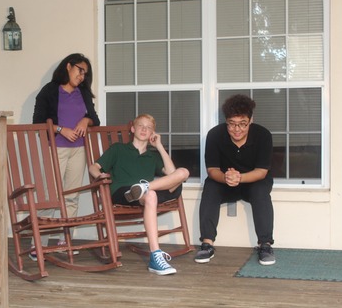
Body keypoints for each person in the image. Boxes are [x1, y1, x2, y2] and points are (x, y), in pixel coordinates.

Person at [88, 114, 189, 275]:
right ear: (133, 129)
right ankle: (156, 255)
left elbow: (172, 173)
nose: (144, 129)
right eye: (141, 126)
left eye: (149, 128)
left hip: (145, 192)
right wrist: (101, 176)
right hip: (123, 192)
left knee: (183, 172)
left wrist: (159, 146)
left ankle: (144, 187)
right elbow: (94, 167)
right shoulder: (118, 149)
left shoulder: (152, 156)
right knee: (152, 195)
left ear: (152, 134)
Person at [31, 53, 100, 260]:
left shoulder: (84, 93)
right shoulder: (50, 91)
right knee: (50, 198)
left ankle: (64, 241)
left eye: (85, 73)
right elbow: (38, 122)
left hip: (79, 150)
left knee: (71, 196)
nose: (82, 76)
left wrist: (85, 121)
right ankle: (39, 245)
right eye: (80, 70)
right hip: (57, 149)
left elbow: (95, 118)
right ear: (68, 66)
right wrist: (61, 129)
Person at [195, 94, 275, 266]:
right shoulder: (215, 135)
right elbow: (212, 170)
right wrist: (225, 177)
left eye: (242, 124)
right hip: (225, 182)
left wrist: (239, 177)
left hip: (253, 180)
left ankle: (265, 244)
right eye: (232, 124)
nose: (237, 129)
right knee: (210, 187)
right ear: (226, 121)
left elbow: (261, 172)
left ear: (250, 120)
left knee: (260, 190)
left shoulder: (263, 135)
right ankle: (207, 243)